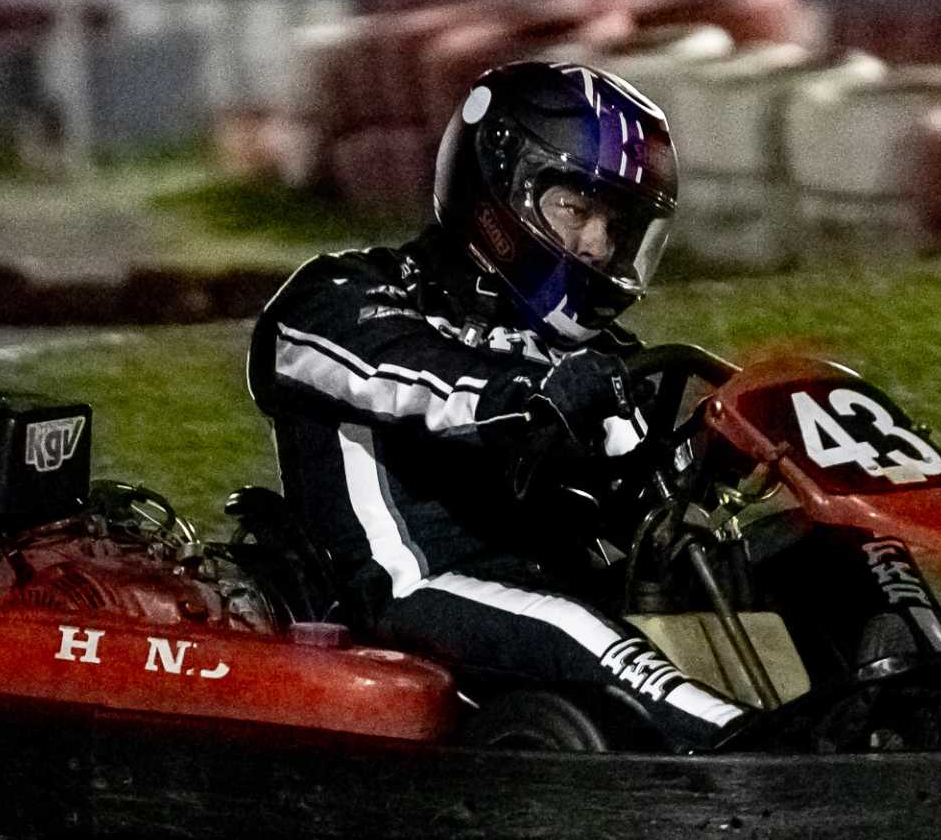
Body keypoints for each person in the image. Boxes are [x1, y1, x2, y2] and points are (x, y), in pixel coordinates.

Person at [247, 60, 750, 751]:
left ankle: (887, 707)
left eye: (615, 225)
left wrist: (717, 447)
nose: (598, 245)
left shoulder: (589, 357)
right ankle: (755, 756)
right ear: (499, 193)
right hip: (404, 592)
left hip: (554, 589)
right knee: (573, 628)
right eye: (577, 211)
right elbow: (415, 379)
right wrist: (527, 398)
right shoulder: (342, 297)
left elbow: (646, 479)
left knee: (787, 566)